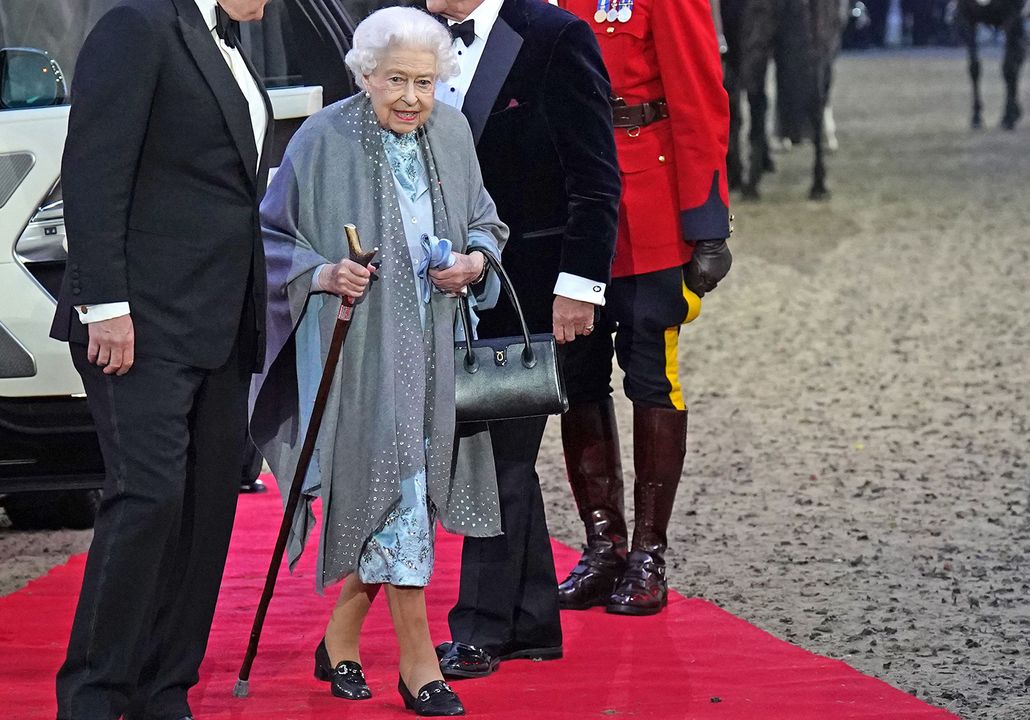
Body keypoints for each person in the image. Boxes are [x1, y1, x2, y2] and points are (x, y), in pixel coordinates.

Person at [250, 7, 509, 715]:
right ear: (364, 75)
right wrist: (325, 273)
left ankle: (339, 640)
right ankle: (420, 665)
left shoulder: (452, 132)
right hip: (360, 352)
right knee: (395, 489)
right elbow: (270, 239)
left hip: (437, 348)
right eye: (395, 80)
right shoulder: (322, 138)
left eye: (424, 82)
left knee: (411, 493)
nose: (410, 98)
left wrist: (474, 261)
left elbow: (486, 218)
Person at [47, 0, 272, 718]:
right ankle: (92, 693)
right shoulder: (139, 27)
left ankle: (162, 688)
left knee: (207, 512)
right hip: (140, 321)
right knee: (148, 498)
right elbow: (92, 169)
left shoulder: (234, 42)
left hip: (220, 318)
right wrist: (103, 305)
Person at [425, 0, 622, 680]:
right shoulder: (414, 38)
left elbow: (596, 179)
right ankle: (531, 619)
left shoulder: (557, 36)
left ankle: (478, 628)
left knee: (493, 456)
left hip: (530, 292)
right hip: (441, 296)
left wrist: (580, 287)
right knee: (495, 452)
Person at [553, 0, 732, 616]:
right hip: (568, 208)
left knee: (652, 377)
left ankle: (649, 553)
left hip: (644, 203)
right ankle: (603, 547)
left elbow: (698, 94)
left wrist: (706, 222)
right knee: (576, 377)